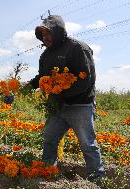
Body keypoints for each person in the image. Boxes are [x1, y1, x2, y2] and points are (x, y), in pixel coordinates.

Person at [26, 15, 105, 181]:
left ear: (58, 31)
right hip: (59, 106)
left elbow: (86, 80)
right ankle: (48, 170)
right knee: (49, 137)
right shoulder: (45, 55)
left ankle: (97, 178)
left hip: (80, 105)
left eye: (48, 33)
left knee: (87, 143)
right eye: (42, 34)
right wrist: (27, 88)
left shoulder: (77, 48)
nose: (45, 37)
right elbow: (42, 77)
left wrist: (61, 94)